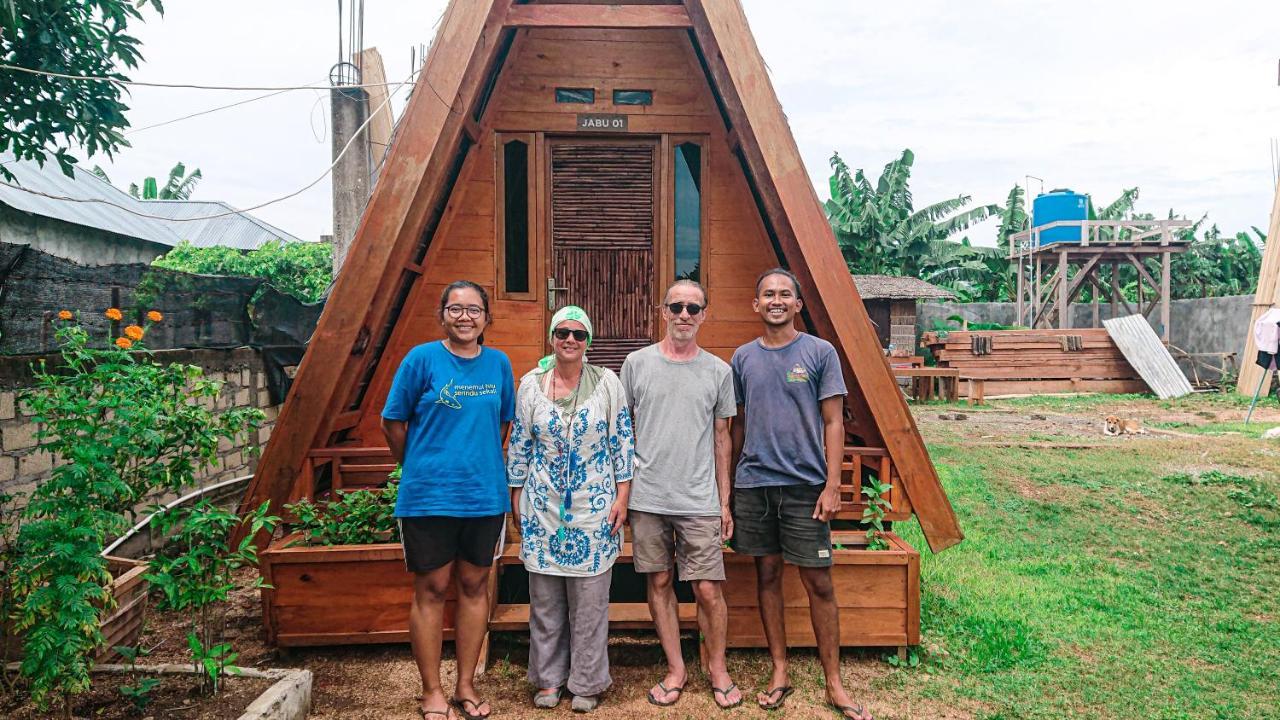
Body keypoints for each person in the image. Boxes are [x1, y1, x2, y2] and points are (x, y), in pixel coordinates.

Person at [729, 268, 873, 720]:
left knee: (818, 582)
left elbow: (834, 423)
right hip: (755, 484)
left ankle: (835, 683)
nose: (776, 300)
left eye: (784, 294)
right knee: (767, 576)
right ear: (756, 305)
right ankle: (779, 672)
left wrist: (833, 485)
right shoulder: (743, 358)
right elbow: (735, 425)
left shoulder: (818, 352)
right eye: (768, 294)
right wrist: (731, 487)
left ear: (797, 305)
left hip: (805, 487)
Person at [381, 280, 514, 720]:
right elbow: (393, 422)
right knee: (432, 589)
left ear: (486, 318)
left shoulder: (498, 364)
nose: (465, 317)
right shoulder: (421, 359)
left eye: (474, 310)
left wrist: (474, 461)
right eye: (456, 309)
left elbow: (501, 427)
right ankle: (432, 690)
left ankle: (466, 685)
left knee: (475, 587)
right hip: (428, 498)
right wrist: (420, 464)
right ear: (442, 314)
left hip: (484, 496)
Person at [621, 279, 744, 710]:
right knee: (659, 581)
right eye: (677, 307)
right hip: (648, 497)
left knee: (708, 589)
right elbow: (624, 432)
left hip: (699, 500)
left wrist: (724, 501)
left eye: (694, 308)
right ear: (663, 311)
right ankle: (676, 668)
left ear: (705, 315)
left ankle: (717, 667)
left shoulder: (718, 371)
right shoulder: (636, 365)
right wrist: (623, 494)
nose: (684, 316)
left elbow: (723, 438)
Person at [507, 306, 634, 713]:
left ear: (588, 342)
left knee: (590, 602)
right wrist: (516, 497)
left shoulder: (607, 384)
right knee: (544, 601)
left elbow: (623, 443)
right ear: (551, 336)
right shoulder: (530, 384)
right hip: (542, 507)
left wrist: (622, 496)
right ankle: (548, 679)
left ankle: (587, 681)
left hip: (594, 508)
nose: (570, 340)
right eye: (562, 332)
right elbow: (521, 444)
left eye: (579, 334)